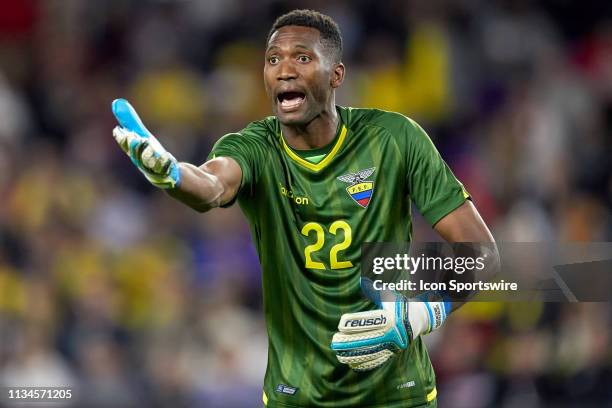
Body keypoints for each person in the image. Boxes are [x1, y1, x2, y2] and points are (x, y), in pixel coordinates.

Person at [111, 9, 497, 408]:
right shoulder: (254, 148)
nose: (284, 70)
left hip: (398, 395)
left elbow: (483, 255)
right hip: (297, 397)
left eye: (302, 57)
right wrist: (173, 173)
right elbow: (210, 185)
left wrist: (420, 314)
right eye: (273, 59)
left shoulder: (395, 138)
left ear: (336, 75)